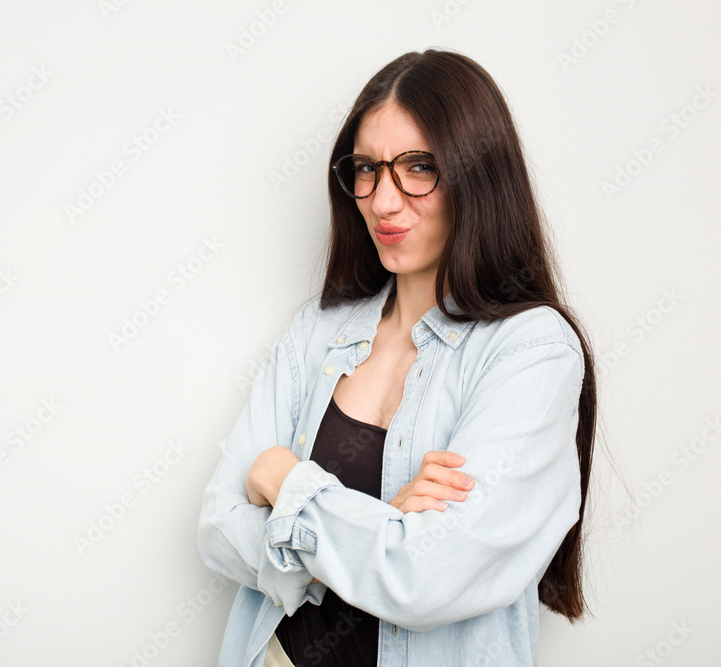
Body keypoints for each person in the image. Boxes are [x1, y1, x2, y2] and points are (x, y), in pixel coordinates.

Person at [197, 48, 598, 667]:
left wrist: (282, 481)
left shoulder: (533, 350)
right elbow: (219, 529)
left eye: (418, 167)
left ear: (478, 174)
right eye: (367, 169)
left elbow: (427, 578)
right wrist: (384, 527)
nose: (383, 202)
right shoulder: (315, 332)